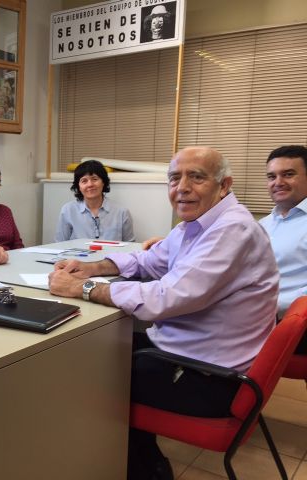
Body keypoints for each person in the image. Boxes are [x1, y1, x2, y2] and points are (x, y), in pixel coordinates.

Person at [48, 146, 279, 480]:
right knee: (98, 352)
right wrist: (91, 267)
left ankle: (142, 469)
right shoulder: (195, 224)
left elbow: (167, 297)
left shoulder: (232, 230)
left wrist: (84, 289)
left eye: (196, 177)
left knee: (86, 376)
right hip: (191, 354)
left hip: (211, 378)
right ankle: (143, 461)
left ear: (224, 185)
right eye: (174, 178)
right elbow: (149, 261)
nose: (181, 187)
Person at [260, 145, 307, 354]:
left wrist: (270, 308)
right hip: (255, 317)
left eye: (288, 174)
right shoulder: (263, 225)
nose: (278, 182)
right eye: (272, 176)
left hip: (293, 324)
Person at [54, 159, 135, 242]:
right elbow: (60, 244)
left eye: (94, 179)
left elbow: (130, 247)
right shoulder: (68, 210)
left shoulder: (121, 212)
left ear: (103, 182)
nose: (90, 184)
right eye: (84, 181)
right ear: (78, 186)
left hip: (110, 255)